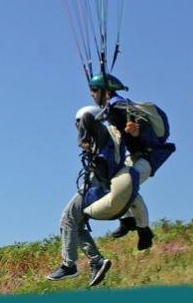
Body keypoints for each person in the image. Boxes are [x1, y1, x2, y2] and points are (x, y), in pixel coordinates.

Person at [87, 73, 174, 250]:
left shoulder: (120, 106)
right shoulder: (111, 109)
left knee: (128, 186)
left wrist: (136, 132)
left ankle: (144, 231)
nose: (91, 94)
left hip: (149, 155)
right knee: (115, 184)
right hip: (134, 156)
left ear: (106, 91)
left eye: (94, 89)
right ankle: (128, 220)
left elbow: (142, 130)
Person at [46, 107, 116, 286]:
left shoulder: (98, 130)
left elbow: (87, 118)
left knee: (67, 219)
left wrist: (84, 136)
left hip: (95, 188)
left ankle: (69, 265)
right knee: (75, 226)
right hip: (101, 186)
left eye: (77, 124)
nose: (77, 128)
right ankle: (97, 261)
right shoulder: (106, 137)